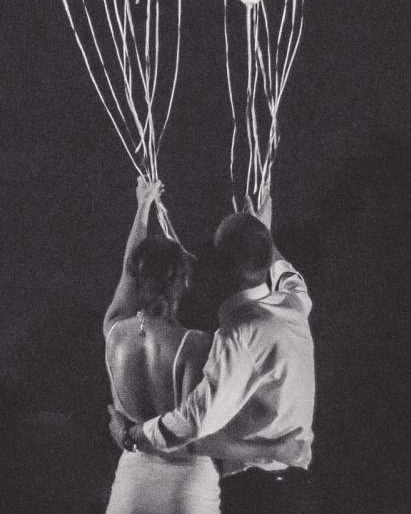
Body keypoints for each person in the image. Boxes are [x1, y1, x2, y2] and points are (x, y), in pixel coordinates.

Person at [103, 178, 305, 514]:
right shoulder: (194, 345)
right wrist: (268, 452)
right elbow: (197, 438)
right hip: (187, 489)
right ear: (183, 281)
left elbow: (129, 273)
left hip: (131, 486)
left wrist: (142, 209)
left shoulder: (115, 330)